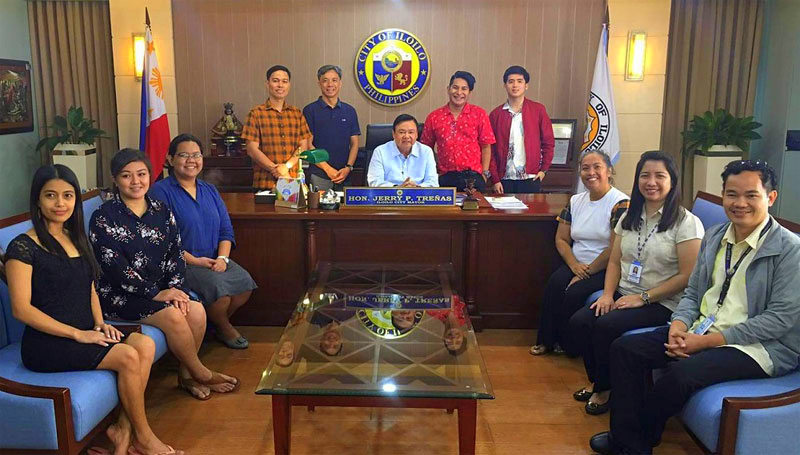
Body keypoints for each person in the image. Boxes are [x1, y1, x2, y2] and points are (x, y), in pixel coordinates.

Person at [590, 160, 800, 455]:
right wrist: (678, 326)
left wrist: (705, 342)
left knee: (680, 374)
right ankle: (629, 442)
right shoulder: (716, 236)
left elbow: (779, 320)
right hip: (702, 328)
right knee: (625, 350)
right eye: (731, 194)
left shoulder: (790, 250)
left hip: (758, 348)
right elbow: (693, 293)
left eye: (751, 195)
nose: (740, 203)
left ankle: (633, 441)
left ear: (771, 197)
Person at [5, 164, 183, 455]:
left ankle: (123, 432)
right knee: (127, 356)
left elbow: (89, 288)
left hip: (84, 332)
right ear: (37, 200)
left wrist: (99, 324)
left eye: (67, 195)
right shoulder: (23, 247)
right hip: (47, 344)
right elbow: (21, 310)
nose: (60, 203)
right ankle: (144, 437)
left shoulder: (74, 238)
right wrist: (79, 334)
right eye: (51, 196)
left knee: (145, 344)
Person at [90, 149, 239, 401]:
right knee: (173, 316)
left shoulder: (161, 210)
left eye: (141, 174)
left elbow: (175, 253)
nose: (136, 182)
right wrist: (156, 293)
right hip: (120, 295)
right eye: (127, 176)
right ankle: (201, 372)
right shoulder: (104, 217)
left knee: (196, 310)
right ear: (115, 180)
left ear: (150, 176)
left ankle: (186, 376)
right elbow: (115, 267)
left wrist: (175, 289)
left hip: (161, 289)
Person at [569, 151, 704, 415]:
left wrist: (643, 298)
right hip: (624, 293)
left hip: (663, 302)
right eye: (645, 175)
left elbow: (687, 276)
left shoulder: (686, 222)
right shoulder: (629, 216)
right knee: (580, 322)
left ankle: (604, 389)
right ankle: (600, 379)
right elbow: (614, 262)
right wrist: (607, 294)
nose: (651, 182)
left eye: (659, 176)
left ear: (672, 181)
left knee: (606, 326)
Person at [150, 134, 258, 349]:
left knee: (245, 284)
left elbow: (226, 230)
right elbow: (164, 240)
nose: (191, 160)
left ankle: (213, 324)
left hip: (214, 258)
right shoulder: (160, 191)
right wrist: (197, 261)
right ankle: (224, 327)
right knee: (220, 294)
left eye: (196, 155)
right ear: (170, 159)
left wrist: (222, 258)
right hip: (182, 262)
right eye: (184, 155)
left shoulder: (209, 190)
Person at [530, 150, 629, 356]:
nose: (590, 172)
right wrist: (574, 265)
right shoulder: (575, 200)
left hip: (606, 267)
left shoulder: (621, 203)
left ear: (609, 171)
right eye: (585, 168)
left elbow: (614, 248)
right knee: (555, 285)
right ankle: (547, 341)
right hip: (576, 262)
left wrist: (586, 272)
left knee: (574, 292)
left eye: (597, 167)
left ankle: (569, 346)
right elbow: (562, 239)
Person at [420, 71, 495, 192]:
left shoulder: (479, 114)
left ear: (469, 92)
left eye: (464, 89)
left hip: (474, 177)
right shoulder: (434, 117)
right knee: (446, 211)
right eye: (455, 87)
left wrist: (485, 174)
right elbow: (425, 149)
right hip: (445, 178)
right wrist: (432, 174)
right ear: (448, 89)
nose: (459, 93)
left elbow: (486, 146)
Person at [242, 65, 312, 190]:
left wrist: (286, 167)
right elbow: (252, 149)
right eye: (275, 81)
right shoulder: (256, 114)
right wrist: (275, 169)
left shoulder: (297, 113)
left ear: (289, 85)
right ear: (267, 84)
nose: (280, 85)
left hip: (293, 182)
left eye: (284, 81)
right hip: (265, 183)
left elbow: (303, 146)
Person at [488, 65, 555, 194]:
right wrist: (495, 179)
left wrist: (543, 170)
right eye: (510, 81)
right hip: (504, 178)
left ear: (526, 85)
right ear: (505, 85)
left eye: (520, 81)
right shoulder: (496, 114)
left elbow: (548, 142)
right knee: (503, 213)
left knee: (529, 212)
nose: (515, 85)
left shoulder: (538, 110)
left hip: (531, 177)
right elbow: (490, 149)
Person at [302, 65, 361, 191]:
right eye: (325, 80)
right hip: (319, 174)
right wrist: (328, 169)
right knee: (318, 209)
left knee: (344, 209)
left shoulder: (350, 111)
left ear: (340, 83)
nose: (330, 84)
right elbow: (308, 144)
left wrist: (348, 167)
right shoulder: (310, 110)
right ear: (319, 83)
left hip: (344, 175)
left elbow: (355, 143)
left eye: (334, 80)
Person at [367, 114, 439, 188]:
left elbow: (433, 182)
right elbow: (374, 181)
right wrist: (398, 188)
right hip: (389, 196)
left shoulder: (426, 152)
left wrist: (417, 188)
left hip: (419, 197)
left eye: (411, 132)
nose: (406, 136)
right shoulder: (380, 152)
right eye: (402, 132)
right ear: (393, 134)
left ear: (417, 134)